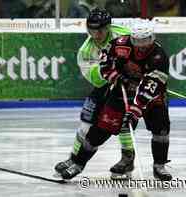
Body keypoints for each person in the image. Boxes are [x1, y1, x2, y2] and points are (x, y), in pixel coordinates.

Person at [55, 18, 172, 181]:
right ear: (132, 38)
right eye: (137, 40)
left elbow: (148, 88)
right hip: (121, 90)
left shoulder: (159, 57)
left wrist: (135, 110)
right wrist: (114, 75)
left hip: (151, 95)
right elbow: (104, 65)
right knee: (101, 128)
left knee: (161, 128)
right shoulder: (119, 44)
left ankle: (159, 166)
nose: (141, 45)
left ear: (152, 38)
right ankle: (78, 163)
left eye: (145, 40)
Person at [54, 8, 136, 180]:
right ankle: (74, 158)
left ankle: (127, 159)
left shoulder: (125, 35)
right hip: (104, 86)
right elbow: (97, 80)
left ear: (108, 26)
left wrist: (132, 74)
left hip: (127, 86)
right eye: (91, 30)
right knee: (85, 124)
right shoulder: (85, 51)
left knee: (123, 123)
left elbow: (141, 56)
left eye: (100, 29)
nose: (96, 34)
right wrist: (109, 72)